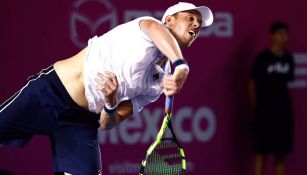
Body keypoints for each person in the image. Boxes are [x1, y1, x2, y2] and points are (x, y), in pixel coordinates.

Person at [0, 2, 213, 175]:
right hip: (49, 94)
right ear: (169, 20)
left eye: (199, 23)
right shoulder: (147, 27)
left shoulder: (158, 84)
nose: (196, 25)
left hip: (81, 122)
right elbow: (157, 30)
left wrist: (110, 103)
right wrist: (180, 65)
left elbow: (107, 123)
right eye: (190, 18)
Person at [248, 22, 294, 175]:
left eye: (285, 34)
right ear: (272, 36)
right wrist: (256, 107)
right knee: (261, 154)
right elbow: (252, 82)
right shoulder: (262, 58)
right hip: (264, 113)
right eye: (280, 33)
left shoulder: (288, 58)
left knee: (281, 155)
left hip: (283, 113)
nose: (283, 37)